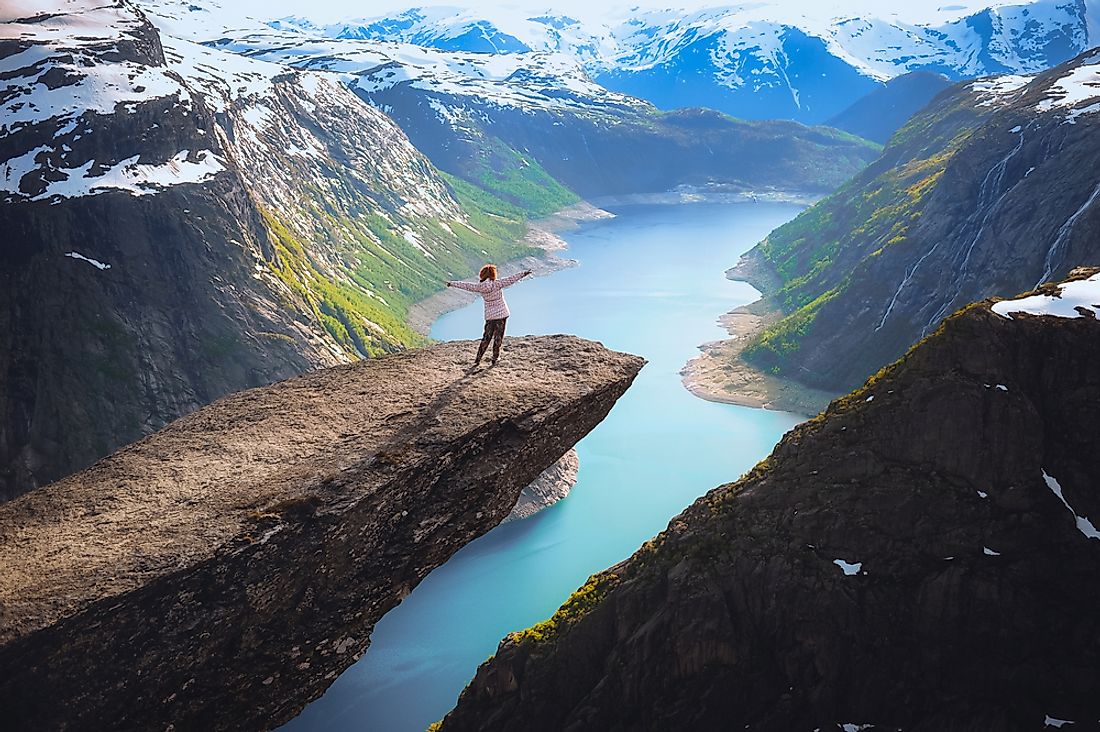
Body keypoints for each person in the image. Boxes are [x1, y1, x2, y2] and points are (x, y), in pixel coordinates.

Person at [446, 264, 532, 367]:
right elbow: (511, 279)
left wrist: (452, 283)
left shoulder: (479, 287)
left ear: (482, 275)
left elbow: (466, 285)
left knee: (486, 337)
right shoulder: (497, 284)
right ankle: (495, 359)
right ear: (493, 274)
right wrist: (524, 273)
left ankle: (478, 359)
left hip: (490, 316)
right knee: (498, 337)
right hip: (501, 314)